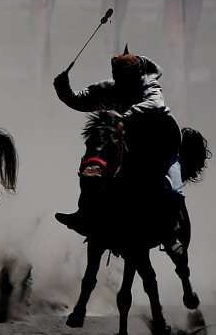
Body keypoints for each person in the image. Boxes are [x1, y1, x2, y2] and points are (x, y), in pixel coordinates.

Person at [53, 46, 185, 250]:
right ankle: (84, 214)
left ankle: (171, 231)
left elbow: (155, 105)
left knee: (174, 191)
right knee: (91, 167)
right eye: (117, 78)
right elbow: (81, 99)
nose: (120, 83)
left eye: (124, 79)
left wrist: (125, 116)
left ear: (136, 75)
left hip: (159, 148)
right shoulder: (110, 88)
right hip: (126, 147)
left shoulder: (150, 86)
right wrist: (64, 90)